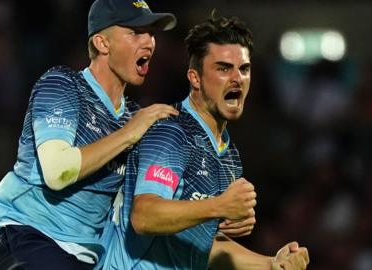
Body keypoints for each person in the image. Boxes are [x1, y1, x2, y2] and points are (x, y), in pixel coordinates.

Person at [102, 11, 310, 270]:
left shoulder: (228, 156)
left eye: (244, 69)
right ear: (195, 78)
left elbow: (203, 244)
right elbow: (144, 216)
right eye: (223, 68)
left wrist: (271, 263)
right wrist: (219, 205)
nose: (237, 78)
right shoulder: (172, 132)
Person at [0, 0, 178, 269]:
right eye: (135, 32)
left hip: (83, 257)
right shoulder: (62, 85)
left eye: (151, 34)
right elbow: (57, 171)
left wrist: (212, 212)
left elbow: (151, 200)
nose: (149, 43)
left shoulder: (138, 119)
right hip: (28, 237)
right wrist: (130, 133)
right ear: (102, 43)